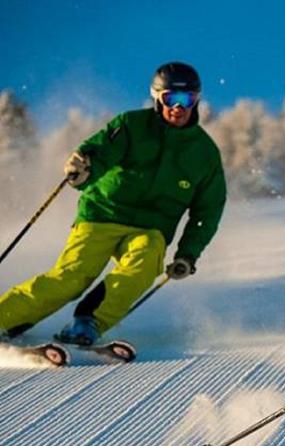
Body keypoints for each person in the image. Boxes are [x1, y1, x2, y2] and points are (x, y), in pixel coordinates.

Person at [0, 62, 226, 347]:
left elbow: (209, 209)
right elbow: (99, 152)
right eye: (171, 98)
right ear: (157, 98)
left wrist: (188, 253)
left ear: (197, 101)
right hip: (102, 214)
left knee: (143, 268)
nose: (178, 108)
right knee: (71, 278)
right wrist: (83, 169)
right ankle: (3, 318)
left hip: (151, 228)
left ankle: (88, 323)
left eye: (187, 100)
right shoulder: (131, 125)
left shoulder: (204, 154)